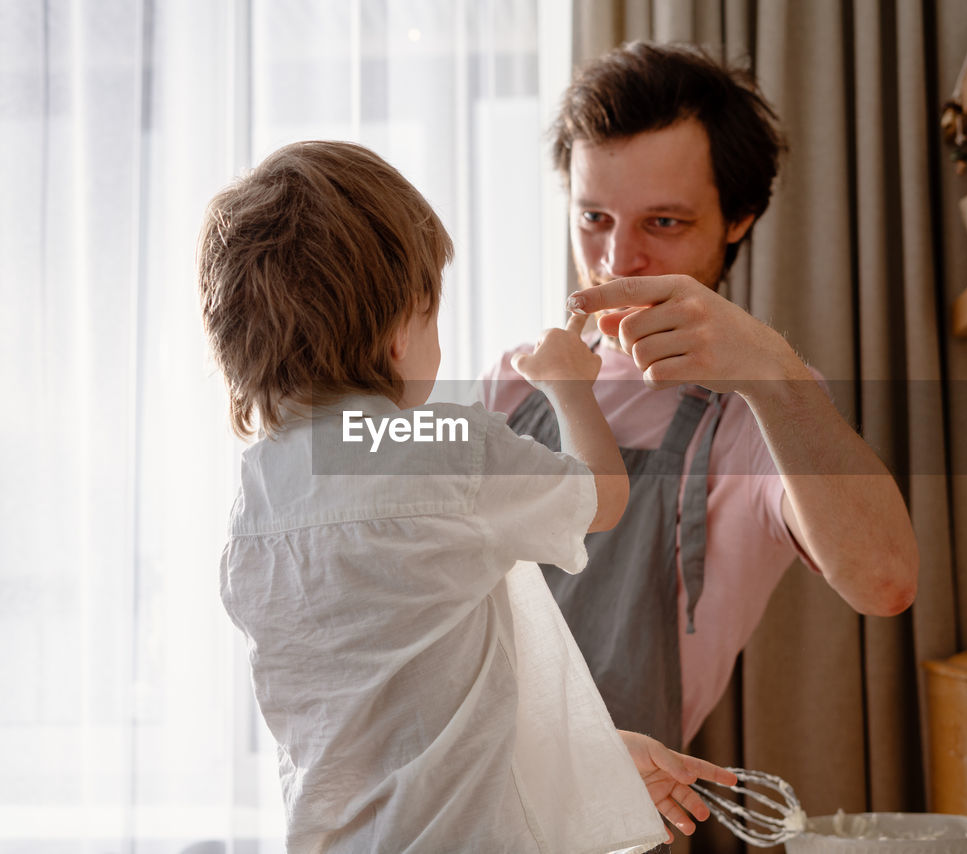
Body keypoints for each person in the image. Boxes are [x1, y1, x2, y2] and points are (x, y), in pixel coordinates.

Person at [197, 139, 735, 852]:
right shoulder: (446, 449)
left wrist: (599, 750)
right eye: (431, 315)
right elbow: (603, 498)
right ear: (397, 337)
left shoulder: (254, 505)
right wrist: (570, 389)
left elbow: (414, 707)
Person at [479, 41, 919, 751]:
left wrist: (773, 374)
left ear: (738, 218)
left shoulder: (763, 416)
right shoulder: (512, 380)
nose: (619, 261)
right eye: (594, 218)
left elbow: (885, 582)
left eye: (664, 223)